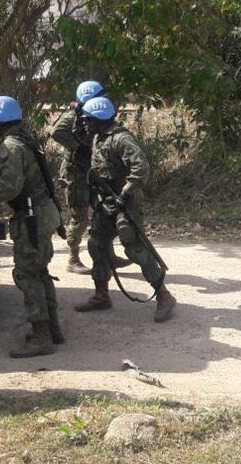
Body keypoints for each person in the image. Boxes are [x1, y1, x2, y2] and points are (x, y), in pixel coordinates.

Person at [0, 96, 63, 357]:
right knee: (40, 271)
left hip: (31, 217)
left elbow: (9, 187)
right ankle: (52, 329)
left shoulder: (11, 146)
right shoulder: (24, 139)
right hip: (43, 212)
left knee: (27, 274)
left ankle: (41, 337)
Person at [74, 96, 176, 323]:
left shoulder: (121, 139)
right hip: (106, 202)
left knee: (135, 249)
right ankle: (101, 296)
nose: (85, 124)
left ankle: (164, 296)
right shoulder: (99, 138)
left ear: (100, 118)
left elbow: (141, 167)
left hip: (125, 203)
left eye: (88, 120)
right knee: (96, 245)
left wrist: (125, 193)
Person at [48, 80, 131, 274]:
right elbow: (56, 132)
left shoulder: (97, 115)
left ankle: (109, 255)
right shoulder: (74, 115)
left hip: (94, 172)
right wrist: (80, 147)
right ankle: (73, 258)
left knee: (104, 213)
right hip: (76, 173)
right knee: (79, 216)